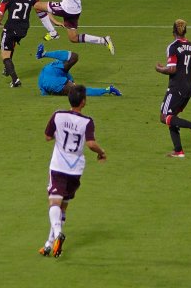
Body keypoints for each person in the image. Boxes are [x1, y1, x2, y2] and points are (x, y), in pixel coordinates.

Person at [39, 84, 107, 258]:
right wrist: (101, 152)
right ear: (83, 102)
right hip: (76, 168)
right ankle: (49, 244)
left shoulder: (58, 115)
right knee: (63, 207)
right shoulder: (87, 121)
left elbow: (47, 137)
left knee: (54, 202)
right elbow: (91, 144)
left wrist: (60, 135)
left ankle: (57, 233)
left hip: (59, 166)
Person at [0, 0, 62, 87]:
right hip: (23, 29)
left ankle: (15, 80)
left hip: (11, 27)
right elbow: (42, 10)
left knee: (4, 54)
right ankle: (7, 69)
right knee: (12, 44)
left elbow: (0, 12)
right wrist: (54, 21)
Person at [155, 19, 191, 158]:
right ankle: (178, 151)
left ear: (173, 32)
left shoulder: (173, 46)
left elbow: (172, 69)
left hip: (176, 88)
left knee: (164, 117)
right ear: (185, 31)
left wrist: (159, 69)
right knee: (172, 117)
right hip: (188, 89)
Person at [36, 43, 122, 96]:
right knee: (79, 92)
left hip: (44, 78)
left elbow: (44, 87)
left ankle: (44, 54)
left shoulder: (58, 68)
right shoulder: (62, 74)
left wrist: (45, 92)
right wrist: (106, 90)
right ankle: (107, 90)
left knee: (72, 57)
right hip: (50, 80)